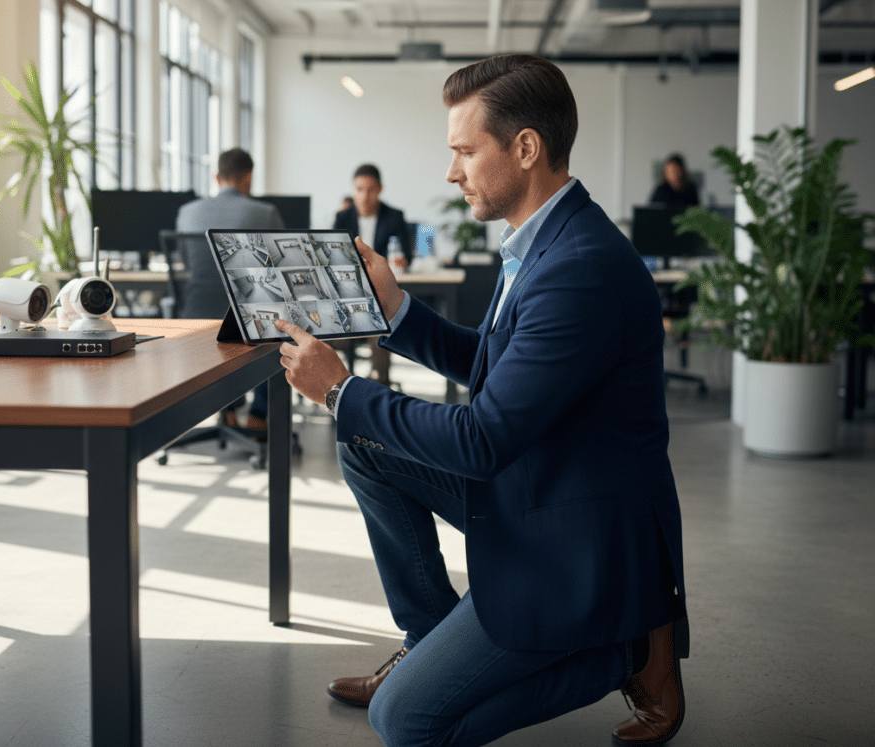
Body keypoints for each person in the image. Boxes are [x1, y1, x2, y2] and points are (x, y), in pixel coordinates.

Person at [273, 54, 688, 747]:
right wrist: (397, 309)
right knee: (364, 442)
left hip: (572, 532)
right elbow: (498, 370)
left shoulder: (578, 268)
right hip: (538, 477)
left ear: (525, 148)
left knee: (403, 719)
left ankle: (620, 652)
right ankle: (431, 636)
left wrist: (341, 389)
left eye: (464, 150)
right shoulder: (540, 239)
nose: (451, 170)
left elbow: (483, 438)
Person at [175, 147, 284, 431]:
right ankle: (259, 414)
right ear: (248, 177)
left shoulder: (187, 212)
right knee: (281, 318)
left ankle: (229, 409)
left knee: (222, 332)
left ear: (216, 177)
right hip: (246, 319)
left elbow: (186, 264)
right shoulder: (265, 213)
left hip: (195, 317)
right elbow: (279, 269)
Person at [333, 164, 414, 386]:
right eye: (359, 189)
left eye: (370, 190)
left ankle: (381, 382)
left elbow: (408, 254)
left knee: (377, 320)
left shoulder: (394, 216)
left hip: (381, 291)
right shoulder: (342, 217)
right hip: (348, 292)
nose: (364, 196)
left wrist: (403, 260)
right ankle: (343, 382)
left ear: (380, 189)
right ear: (353, 189)